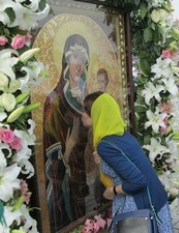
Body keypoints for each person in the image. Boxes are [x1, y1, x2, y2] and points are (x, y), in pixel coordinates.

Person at [85, 92, 174, 233]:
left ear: (96, 114)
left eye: (86, 112)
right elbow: (122, 171)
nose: (81, 115)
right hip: (156, 201)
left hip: (136, 210)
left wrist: (112, 191)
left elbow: (138, 181)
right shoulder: (122, 134)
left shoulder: (105, 144)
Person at [44, 34, 90, 232]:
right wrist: (69, 147)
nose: (79, 65)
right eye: (75, 57)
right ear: (65, 59)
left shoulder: (87, 95)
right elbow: (49, 152)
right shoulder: (54, 100)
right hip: (65, 178)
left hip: (85, 171)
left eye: (83, 59)